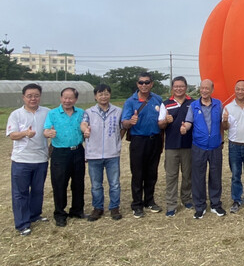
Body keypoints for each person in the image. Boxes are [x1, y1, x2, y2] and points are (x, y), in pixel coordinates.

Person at [6, 83, 50, 236]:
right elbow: (12, 135)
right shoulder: (16, 114)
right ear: (23, 97)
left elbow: (50, 129)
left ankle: (35, 215)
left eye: (36, 95)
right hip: (21, 160)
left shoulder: (47, 112)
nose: (33, 98)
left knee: (38, 190)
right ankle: (22, 224)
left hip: (41, 158)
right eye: (30, 96)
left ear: (40, 96)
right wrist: (25, 133)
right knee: (20, 193)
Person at [181, 79, 225, 219]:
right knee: (198, 177)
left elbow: (222, 124)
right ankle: (199, 206)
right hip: (198, 146)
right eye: (202, 88)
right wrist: (184, 128)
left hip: (215, 146)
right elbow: (188, 122)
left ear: (212, 90)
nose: (204, 91)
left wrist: (222, 140)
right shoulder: (193, 105)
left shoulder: (218, 104)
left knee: (215, 176)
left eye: (207, 88)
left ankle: (215, 204)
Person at [121, 72, 163, 218]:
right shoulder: (131, 101)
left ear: (152, 84)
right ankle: (137, 204)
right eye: (141, 82)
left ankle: (149, 200)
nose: (144, 85)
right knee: (138, 173)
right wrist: (129, 122)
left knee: (152, 172)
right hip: (138, 140)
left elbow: (162, 119)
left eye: (147, 82)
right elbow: (124, 122)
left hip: (155, 139)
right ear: (137, 84)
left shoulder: (157, 99)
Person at [81, 84, 124, 221]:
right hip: (94, 153)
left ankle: (114, 207)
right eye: (100, 94)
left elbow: (122, 128)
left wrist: (117, 140)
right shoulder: (89, 112)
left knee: (114, 183)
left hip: (112, 153)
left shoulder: (118, 111)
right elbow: (83, 124)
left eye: (106, 93)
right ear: (95, 96)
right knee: (96, 184)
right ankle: (98, 208)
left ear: (110, 95)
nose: (103, 96)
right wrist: (85, 130)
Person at [43, 87, 85, 227]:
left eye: (71, 98)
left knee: (78, 183)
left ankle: (77, 210)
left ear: (76, 99)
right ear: (61, 98)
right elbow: (46, 129)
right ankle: (60, 214)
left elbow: (86, 128)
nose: (67, 100)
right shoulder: (53, 113)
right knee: (59, 184)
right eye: (65, 97)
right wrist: (48, 133)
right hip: (60, 153)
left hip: (78, 151)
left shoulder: (81, 113)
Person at [158, 76, 194, 217]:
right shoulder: (166, 104)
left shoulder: (193, 103)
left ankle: (186, 199)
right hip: (171, 146)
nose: (179, 88)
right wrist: (166, 121)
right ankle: (171, 204)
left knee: (188, 175)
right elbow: (160, 124)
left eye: (181, 86)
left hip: (189, 145)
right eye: (176, 86)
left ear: (186, 87)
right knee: (171, 176)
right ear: (172, 88)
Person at [222, 80, 244, 213]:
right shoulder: (228, 108)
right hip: (234, 146)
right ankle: (236, 200)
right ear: (234, 90)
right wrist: (225, 120)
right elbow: (225, 128)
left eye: (243, 89)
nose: (240, 91)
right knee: (235, 175)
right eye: (238, 89)